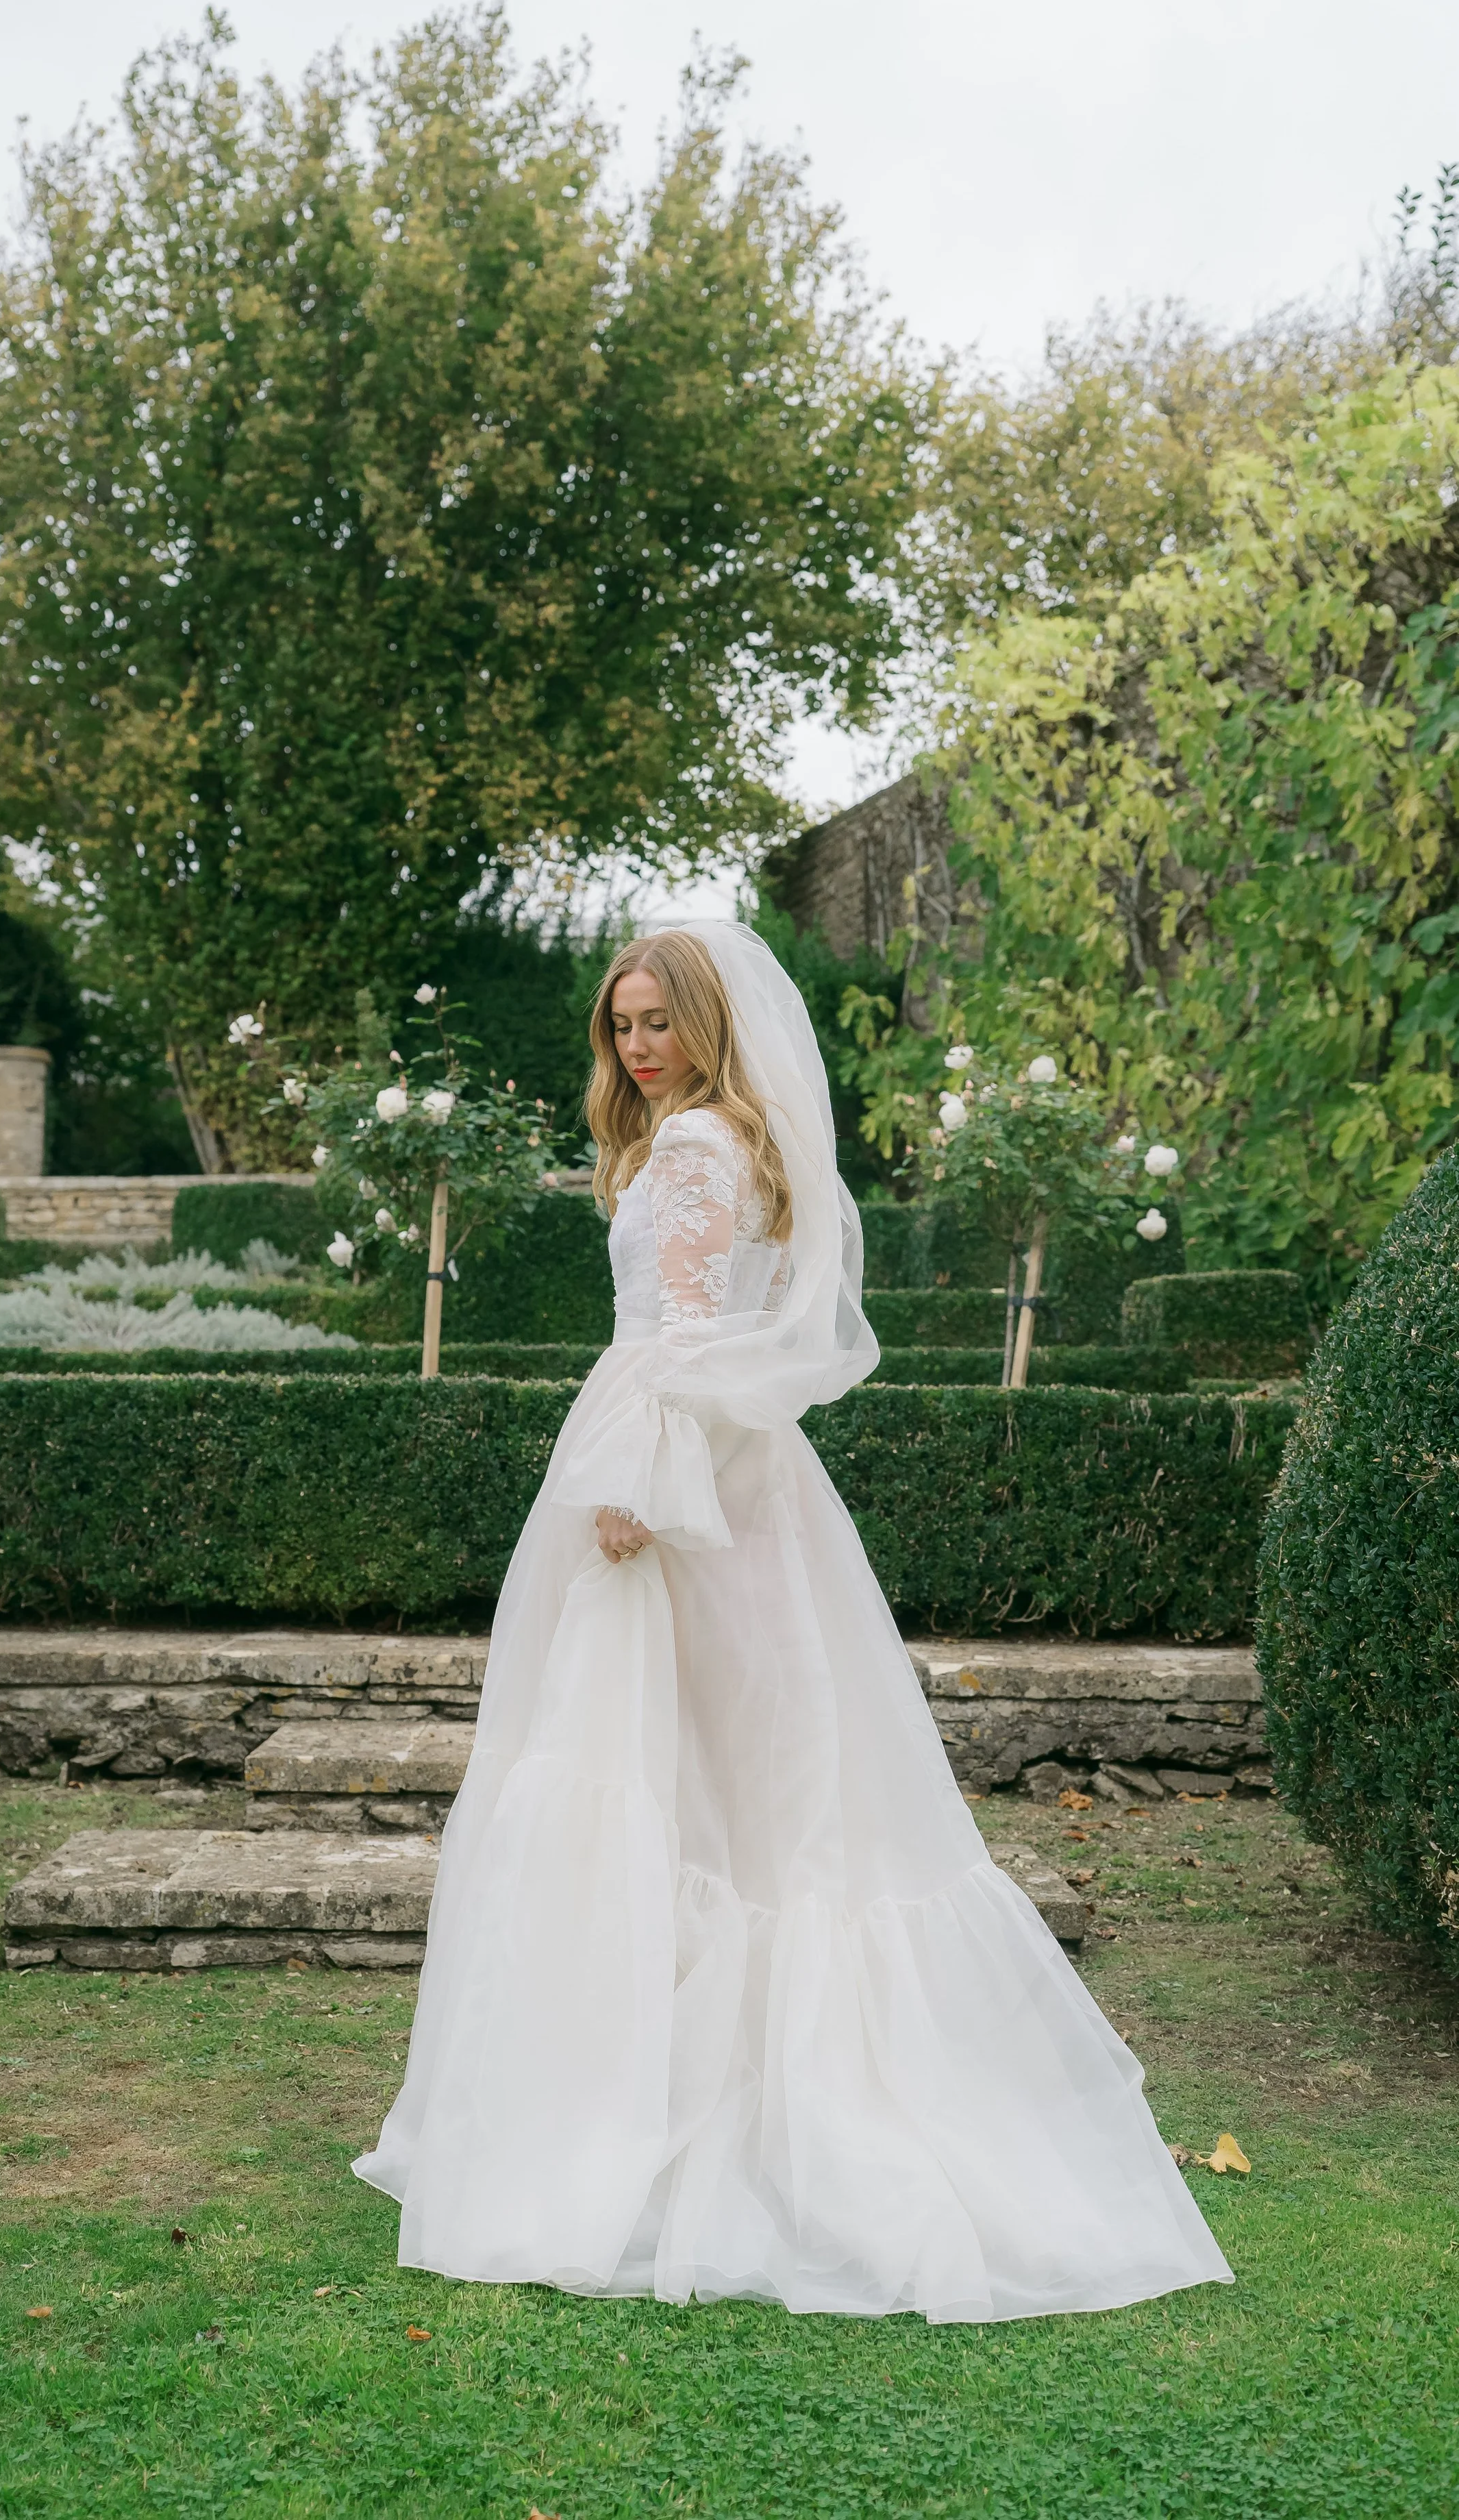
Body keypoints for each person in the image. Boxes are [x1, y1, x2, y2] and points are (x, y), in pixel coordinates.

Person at [355, 920, 1232, 2321]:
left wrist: (641, 1485)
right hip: (722, 1476)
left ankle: (699, 2098)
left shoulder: (699, 1149)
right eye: (619, 1026)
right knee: (737, 1781)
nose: (635, 1048)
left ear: (705, 1023)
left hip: (679, 1481)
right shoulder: (718, 1139)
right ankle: (689, 2071)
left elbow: (694, 1337)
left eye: (656, 1022)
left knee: (677, 1773)